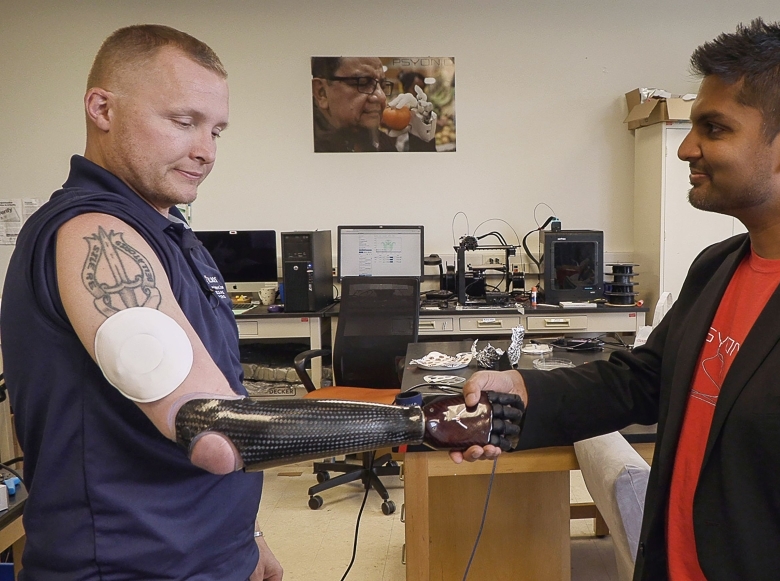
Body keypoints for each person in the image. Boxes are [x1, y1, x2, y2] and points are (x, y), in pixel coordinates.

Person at [455, 19, 780, 581]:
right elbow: (646, 378)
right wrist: (523, 391)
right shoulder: (720, 263)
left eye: (713, 128)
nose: (688, 147)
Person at [0, 25, 522, 580]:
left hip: (209, 550)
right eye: (183, 122)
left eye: (217, 130)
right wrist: (422, 421)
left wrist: (246, 535)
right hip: (134, 563)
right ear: (101, 108)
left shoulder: (169, 233)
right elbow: (217, 429)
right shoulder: (95, 234)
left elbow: (221, 387)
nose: (205, 151)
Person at [311, 56, 437, 152]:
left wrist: (420, 137)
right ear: (321, 92)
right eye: (363, 83)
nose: (381, 97)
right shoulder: (305, 149)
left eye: (382, 86)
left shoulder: (379, 140)